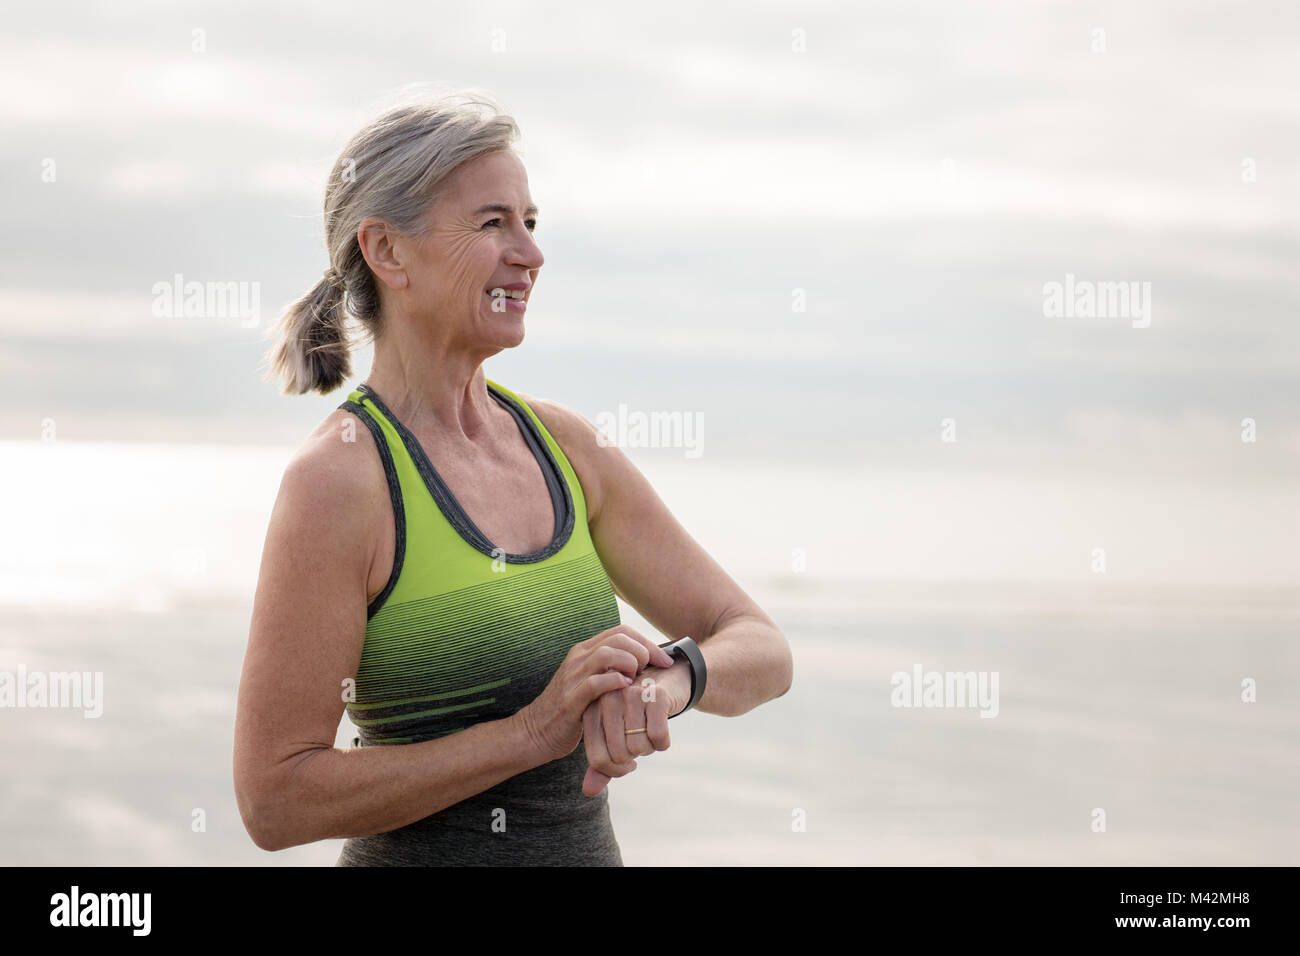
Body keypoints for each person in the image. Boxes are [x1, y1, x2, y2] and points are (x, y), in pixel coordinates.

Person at [233, 88, 793, 865]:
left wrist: (666, 686)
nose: (529, 254)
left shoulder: (563, 446)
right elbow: (276, 798)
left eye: (530, 223)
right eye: (493, 223)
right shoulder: (342, 481)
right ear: (387, 251)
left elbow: (761, 648)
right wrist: (530, 733)